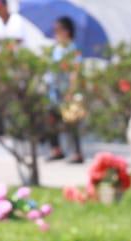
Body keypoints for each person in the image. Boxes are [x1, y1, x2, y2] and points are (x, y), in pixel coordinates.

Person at [46, 16, 84, 163]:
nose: (55, 32)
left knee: (70, 122)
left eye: (58, 29)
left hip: (66, 91)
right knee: (51, 121)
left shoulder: (72, 49)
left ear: (66, 31)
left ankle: (76, 152)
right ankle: (56, 149)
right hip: (53, 92)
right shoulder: (55, 48)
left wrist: (71, 90)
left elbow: (75, 70)